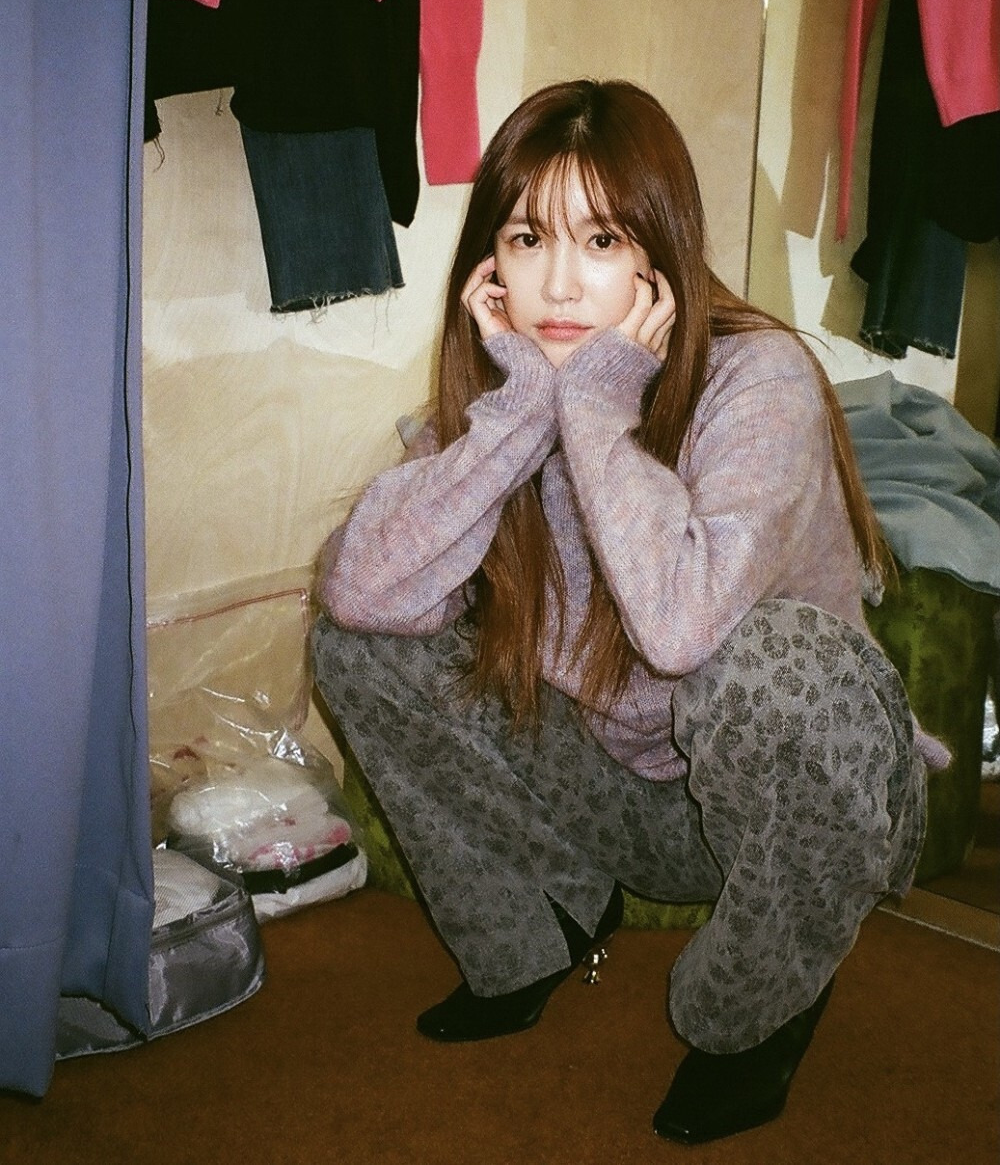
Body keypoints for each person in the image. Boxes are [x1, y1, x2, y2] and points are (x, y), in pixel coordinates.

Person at [311, 79, 942, 1146]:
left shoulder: (759, 380)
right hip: (625, 793)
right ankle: (540, 926)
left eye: (600, 239)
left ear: (661, 252)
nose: (558, 282)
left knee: (774, 663)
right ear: (488, 265)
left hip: (793, 800)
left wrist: (601, 410)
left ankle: (754, 1015)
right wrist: (521, 410)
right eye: (527, 238)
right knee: (359, 640)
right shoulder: (512, 390)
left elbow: (682, 630)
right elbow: (360, 592)